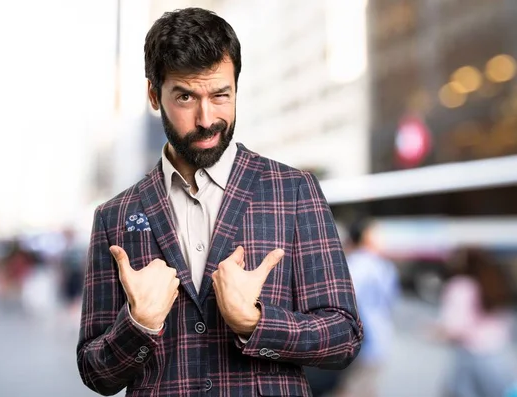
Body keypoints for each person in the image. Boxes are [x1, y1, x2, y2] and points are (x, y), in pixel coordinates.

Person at [76, 8, 363, 396]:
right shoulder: (114, 216)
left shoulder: (293, 191)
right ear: (153, 95)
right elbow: (96, 374)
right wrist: (138, 323)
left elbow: (344, 336)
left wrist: (255, 321)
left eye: (220, 95)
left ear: (236, 89)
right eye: (185, 97)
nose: (206, 118)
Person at [434, 247, 515, 397]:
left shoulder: (460, 286)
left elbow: (454, 328)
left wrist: (434, 332)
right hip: (498, 357)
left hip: (470, 359)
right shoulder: (494, 281)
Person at [334, 219, 399, 397]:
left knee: (354, 388)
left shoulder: (352, 264)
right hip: (375, 339)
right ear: (366, 237)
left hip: (361, 341)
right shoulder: (383, 266)